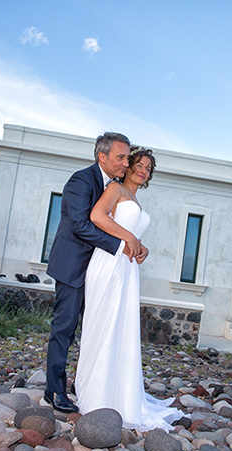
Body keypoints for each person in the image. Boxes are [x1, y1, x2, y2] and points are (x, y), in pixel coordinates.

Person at [75, 146, 184, 431]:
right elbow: (98, 217)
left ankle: (119, 394)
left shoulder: (133, 198)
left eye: (148, 168)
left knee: (122, 329)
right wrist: (131, 237)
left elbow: (129, 234)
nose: (143, 170)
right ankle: (95, 396)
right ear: (129, 165)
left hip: (126, 267)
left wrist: (140, 246)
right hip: (109, 264)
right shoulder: (115, 189)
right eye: (139, 164)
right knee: (104, 325)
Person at [44, 132, 148, 413]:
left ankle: (87, 384)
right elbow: (80, 224)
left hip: (100, 269)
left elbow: (114, 223)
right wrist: (122, 244)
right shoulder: (81, 180)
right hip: (73, 266)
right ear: (102, 157)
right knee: (65, 328)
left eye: (128, 157)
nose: (127, 163)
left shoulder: (113, 186)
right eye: (121, 157)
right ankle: (54, 390)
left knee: (95, 328)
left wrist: (134, 244)